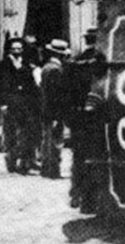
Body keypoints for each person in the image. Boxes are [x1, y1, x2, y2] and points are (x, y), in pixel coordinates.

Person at [71, 56, 109, 213]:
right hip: (95, 135)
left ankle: (87, 202)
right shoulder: (101, 87)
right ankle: (90, 202)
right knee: (93, 169)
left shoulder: (94, 86)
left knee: (87, 167)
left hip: (88, 134)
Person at [0, 38, 40, 175]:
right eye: (14, 49)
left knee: (26, 132)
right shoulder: (4, 64)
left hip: (25, 102)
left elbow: (30, 82)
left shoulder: (26, 63)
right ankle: (11, 160)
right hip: (11, 102)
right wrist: (3, 103)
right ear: (10, 50)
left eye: (19, 48)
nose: (16, 51)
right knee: (11, 132)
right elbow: (2, 85)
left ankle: (25, 163)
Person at [38, 39, 72, 179]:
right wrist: (59, 115)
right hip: (54, 111)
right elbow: (56, 95)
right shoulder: (56, 70)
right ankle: (53, 170)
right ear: (60, 55)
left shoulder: (46, 67)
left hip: (46, 109)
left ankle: (46, 169)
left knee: (47, 139)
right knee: (55, 141)